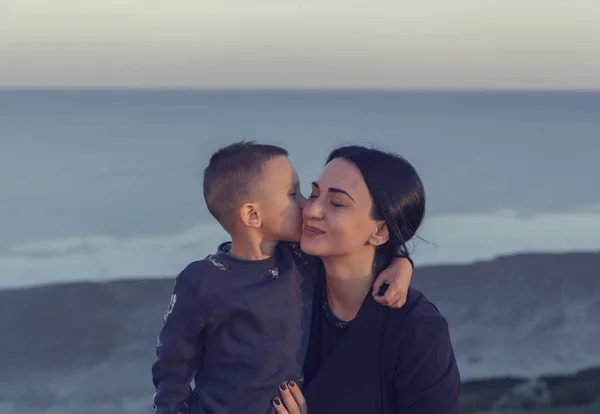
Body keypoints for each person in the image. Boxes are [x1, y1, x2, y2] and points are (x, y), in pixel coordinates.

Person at [151, 141, 416, 414]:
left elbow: (356, 249)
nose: (307, 205)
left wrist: (400, 261)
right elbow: (173, 369)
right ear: (252, 214)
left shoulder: (301, 261)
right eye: (293, 194)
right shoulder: (201, 280)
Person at [272, 145, 461, 414]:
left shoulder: (417, 331)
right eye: (314, 194)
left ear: (381, 231)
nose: (312, 210)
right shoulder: (288, 281)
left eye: (337, 203)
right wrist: (401, 257)